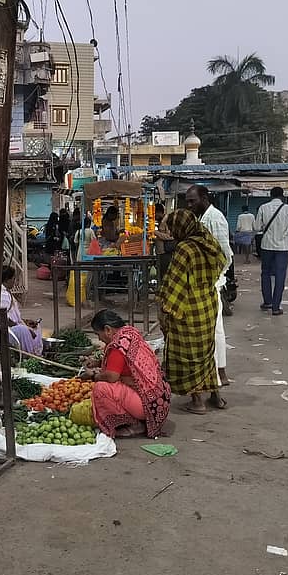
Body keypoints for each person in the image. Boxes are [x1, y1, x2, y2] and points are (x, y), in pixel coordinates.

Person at [158, 209, 227, 415]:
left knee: (188, 354)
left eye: (173, 229)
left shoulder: (185, 248)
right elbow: (223, 261)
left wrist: (164, 309)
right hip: (208, 303)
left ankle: (197, 401)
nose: (172, 233)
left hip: (188, 307)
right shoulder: (208, 241)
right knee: (207, 352)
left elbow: (174, 281)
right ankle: (215, 396)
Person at [82, 310, 171, 438]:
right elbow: (121, 363)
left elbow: (112, 376)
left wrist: (92, 376)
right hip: (160, 401)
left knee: (101, 389)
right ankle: (137, 418)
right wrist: (98, 363)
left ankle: (135, 425)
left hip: (150, 406)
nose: (99, 339)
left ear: (108, 329)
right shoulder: (129, 333)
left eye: (98, 334)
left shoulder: (117, 346)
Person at [186, 184, 233, 386]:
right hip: (203, 283)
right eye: (187, 202)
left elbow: (226, 254)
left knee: (213, 330)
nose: (189, 205)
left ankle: (218, 373)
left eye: (192, 201)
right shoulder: (201, 218)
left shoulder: (214, 218)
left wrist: (213, 275)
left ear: (204, 198)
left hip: (211, 283)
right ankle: (218, 372)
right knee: (212, 330)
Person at [255, 186, 288, 316]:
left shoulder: (263, 207)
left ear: (271, 195)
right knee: (280, 275)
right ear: (282, 196)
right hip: (283, 247)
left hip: (266, 246)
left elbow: (257, 227)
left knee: (265, 273)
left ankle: (267, 301)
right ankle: (276, 307)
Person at [1, 266, 43, 355]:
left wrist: (25, 321)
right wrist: (24, 327)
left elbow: (14, 315)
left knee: (36, 326)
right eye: (13, 279)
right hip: (8, 330)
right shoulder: (2, 295)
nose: (14, 281)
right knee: (23, 330)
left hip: (15, 325)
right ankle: (29, 355)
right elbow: (4, 318)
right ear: (7, 280)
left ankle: (37, 354)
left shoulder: (7, 292)